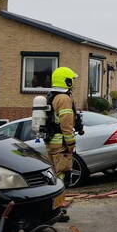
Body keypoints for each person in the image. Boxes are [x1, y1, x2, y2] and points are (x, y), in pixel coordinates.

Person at [43, 66, 84, 222]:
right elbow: (66, 122)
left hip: (51, 141)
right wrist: (71, 142)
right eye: (71, 79)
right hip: (61, 143)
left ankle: (52, 208)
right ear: (65, 80)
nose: (73, 82)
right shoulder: (64, 98)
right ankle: (57, 210)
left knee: (54, 175)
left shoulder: (51, 96)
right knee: (62, 176)